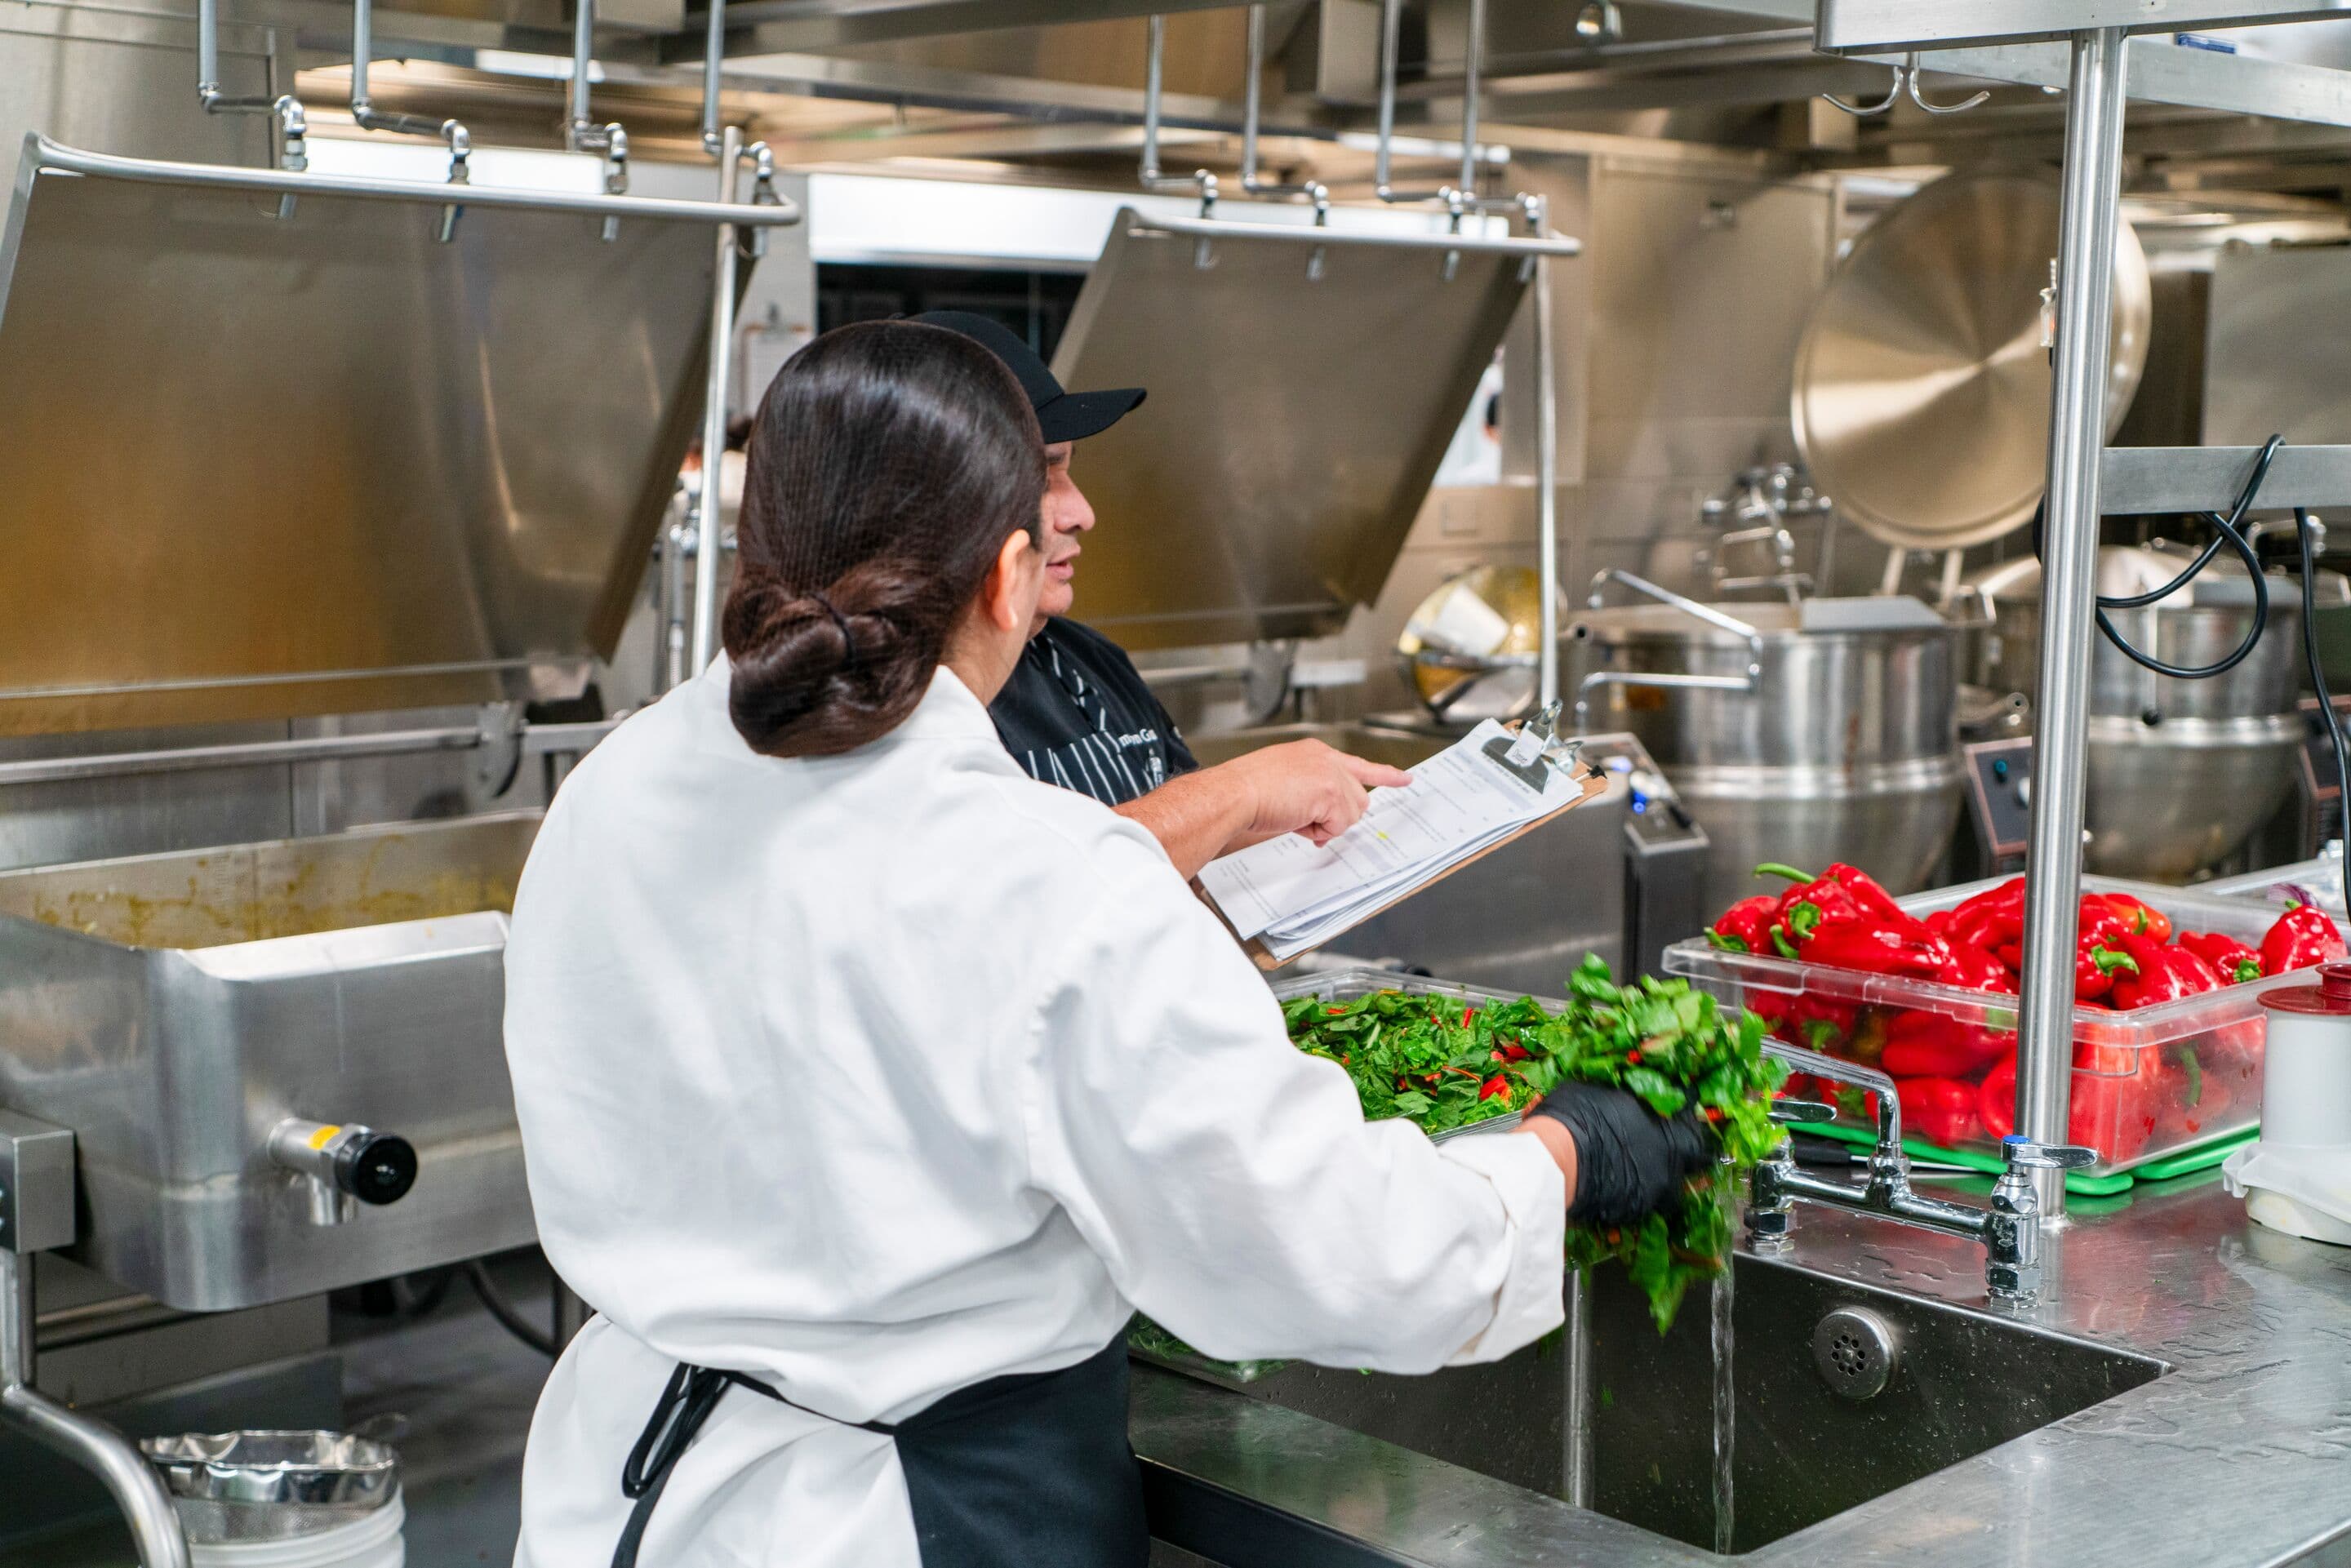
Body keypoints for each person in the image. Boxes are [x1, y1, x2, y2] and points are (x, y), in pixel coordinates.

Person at [502, 320, 1710, 1568]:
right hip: (913, 1520)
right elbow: (1338, 1251)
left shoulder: (613, 787)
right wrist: (1564, 1153)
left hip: (623, 1493)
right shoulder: (1049, 879)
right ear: (1006, 579)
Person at [910, 309, 1409, 878]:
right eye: (1043, 475)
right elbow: (1023, 883)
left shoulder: (1089, 658)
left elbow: (1197, 842)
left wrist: (1329, 821)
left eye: (1069, 469)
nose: (1083, 512)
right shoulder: (895, 705)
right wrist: (1241, 789)